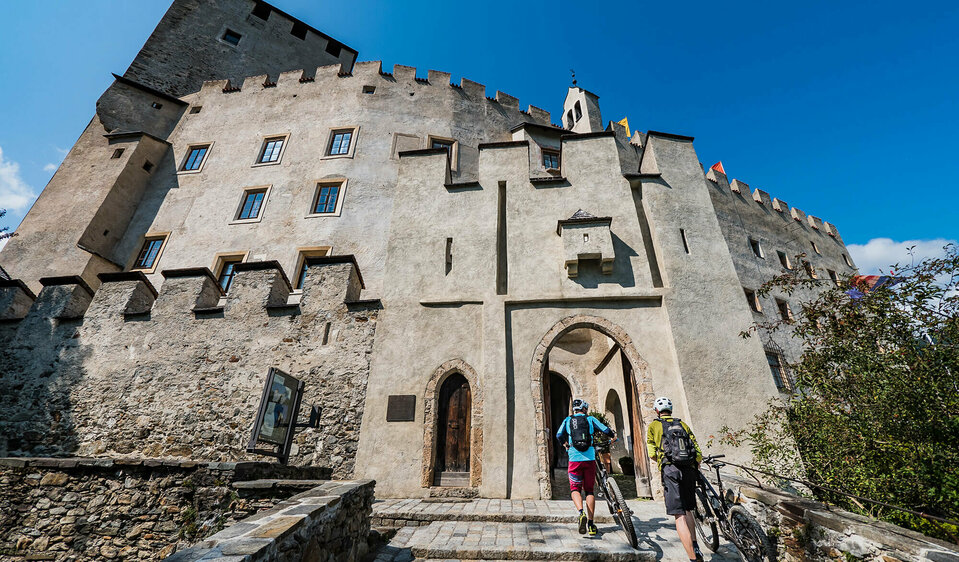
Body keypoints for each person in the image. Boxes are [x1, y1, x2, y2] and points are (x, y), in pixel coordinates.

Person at [646, 396, 704, 562]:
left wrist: (662, 462)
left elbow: (651, 454)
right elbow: (697, 451)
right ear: (670, 410)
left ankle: (692, 558)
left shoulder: (654, 426)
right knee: (688, 510)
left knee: (679, 515)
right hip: (688, 469)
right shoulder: (682, 424)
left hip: (670, 470)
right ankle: (696, 546)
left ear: (657, 411)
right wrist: (694, 463)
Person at [555, 398, 615, 537]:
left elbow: (559, 435)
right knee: (589, 491)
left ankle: (581, 512)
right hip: (589, 459)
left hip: (574, 459)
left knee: (575, 489)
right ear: (584, 409)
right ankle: (591, 524)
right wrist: (613, 436)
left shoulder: (568, 420)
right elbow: (606, 430)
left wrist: (565, 445)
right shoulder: (590, 419)